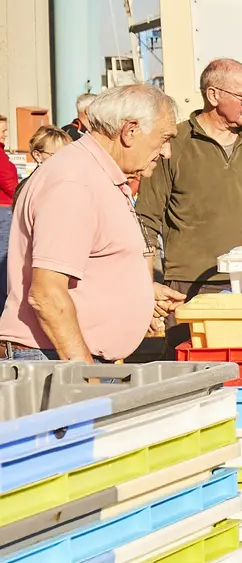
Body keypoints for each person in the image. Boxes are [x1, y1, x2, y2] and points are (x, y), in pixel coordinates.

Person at [0, 85, 184, 361]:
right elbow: (47, 294)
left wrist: (139, 292)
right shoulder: (75, 182)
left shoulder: (98, 175)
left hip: (68, 357)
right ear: (130, 131)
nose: (167, 152)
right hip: (59, 359)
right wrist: (86, 379)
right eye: (164, 138)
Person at [135, 59, 242, 299]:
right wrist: (146, 283)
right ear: (213, 95)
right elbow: (146, 218)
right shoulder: (174, 142)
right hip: (190, 285)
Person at [0, 117, 17, 308]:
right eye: (3, 131)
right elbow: (9, 183)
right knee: (3, 261)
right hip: (4, 209)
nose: (5, 135)